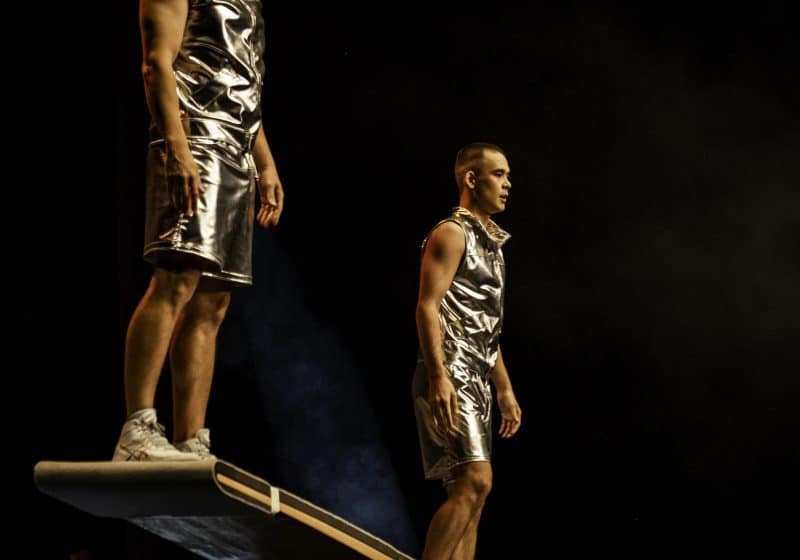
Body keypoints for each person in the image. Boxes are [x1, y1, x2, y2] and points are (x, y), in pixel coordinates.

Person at [113, 0, 284, 461]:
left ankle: (190, 440)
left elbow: (240, 85)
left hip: (236, 152)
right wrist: (177, 148)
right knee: (176, 278)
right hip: (195, 141)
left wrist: (264, 164)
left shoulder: (249, 4)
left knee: (213, 300)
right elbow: (156, 65)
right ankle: (137, 428)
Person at [412, 143, 522, 559]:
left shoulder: (492, 247)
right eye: (498, 174)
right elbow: (426, 306)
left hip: (476, 376)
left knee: (471, 494)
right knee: (477, 480)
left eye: (508, 176)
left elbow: (486, 329)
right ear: (471, 179)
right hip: (450, 370)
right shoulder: (452, 233)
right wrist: (439, 376)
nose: (507, 184)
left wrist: (504, 389)